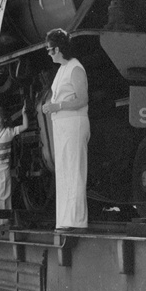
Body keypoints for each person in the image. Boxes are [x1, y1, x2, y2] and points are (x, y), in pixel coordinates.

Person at [41, 29, 90, 232]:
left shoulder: (75, 68)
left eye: (50, 50)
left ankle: (77, 221)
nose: (49, 54)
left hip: (74, 124)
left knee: (74, 170)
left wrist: (57, 106)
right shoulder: (62, 69)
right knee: (63, 172)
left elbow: (82, 99)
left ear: (59, 48)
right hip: (62, 126)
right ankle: (64, 220)